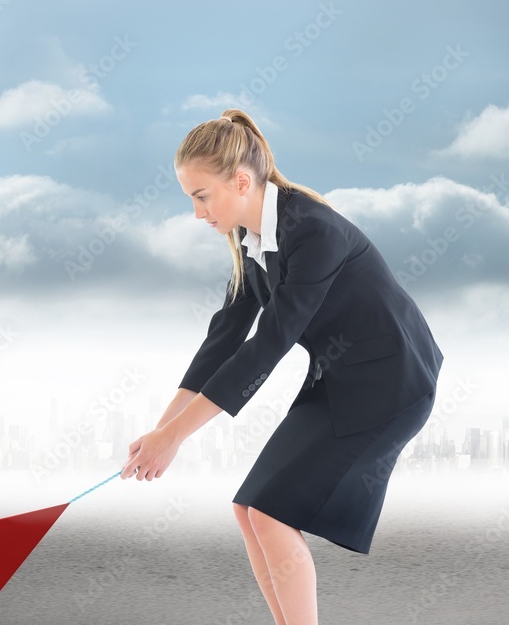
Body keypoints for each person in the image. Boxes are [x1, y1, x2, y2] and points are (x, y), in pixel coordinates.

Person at [120, 109, 443, 624]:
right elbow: (224, 338)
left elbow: (269, 344)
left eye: (201, 196)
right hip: (338, 379)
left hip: (390, 384)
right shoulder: (252, 239)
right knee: (248, 510)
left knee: (270, 514)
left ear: (242, 181)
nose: (198, 213)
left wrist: (175, 437)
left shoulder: (313, 230)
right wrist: (162, 432)